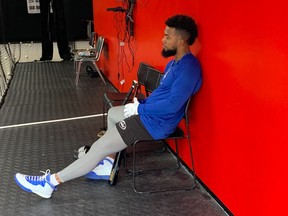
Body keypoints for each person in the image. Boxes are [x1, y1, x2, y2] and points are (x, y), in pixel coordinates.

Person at [14, 14, 203, 199]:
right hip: (149, 115)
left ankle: (49, 183)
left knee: (99, 147)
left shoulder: (189, 68)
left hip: (156, 123)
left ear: (181, 41)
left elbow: (172, 105)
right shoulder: (173, 63)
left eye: (168, 36)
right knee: (114, 113)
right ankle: (108, 164)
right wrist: (141, 103)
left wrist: (140, 109)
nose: (162, 39)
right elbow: (164, 95)